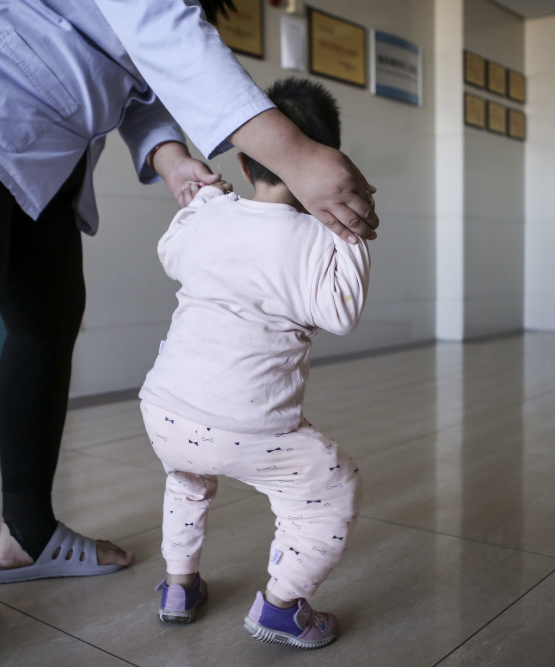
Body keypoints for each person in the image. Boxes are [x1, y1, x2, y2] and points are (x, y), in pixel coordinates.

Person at [0, 1, 379, 665]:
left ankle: (28, 531)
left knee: (48, 318)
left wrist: (169, 155)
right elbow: (155, 24)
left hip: (42, 137)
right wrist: (297, 154)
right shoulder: (300, 233)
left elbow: (136, 70)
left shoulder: (212, 222)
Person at [140, 77, 371, 649]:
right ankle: (281, 605)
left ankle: (178, 586)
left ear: (245, 164)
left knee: (187, 483)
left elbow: (170, 255)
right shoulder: (321, 240)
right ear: (325, 163)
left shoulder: (214, 213)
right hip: (247, 426)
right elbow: (340, 313)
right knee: (330, 487)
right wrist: (354, 229)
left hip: (164, 410)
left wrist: (202, 202)